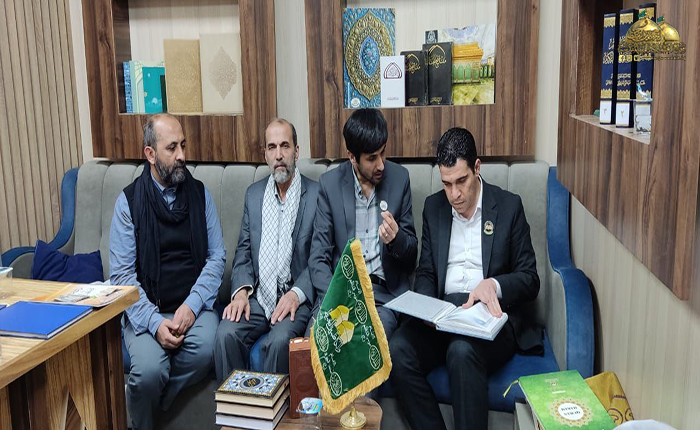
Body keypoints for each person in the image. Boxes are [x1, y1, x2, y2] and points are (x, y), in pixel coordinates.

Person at [389, 127, 540, 430]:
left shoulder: (508, 206)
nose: (454, 194)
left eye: (461, 181)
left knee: (461, 351)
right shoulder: (434, 207)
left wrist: (493, 285)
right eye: (446, 184)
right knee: (397, 349)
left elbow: (530, 278)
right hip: (445, 315)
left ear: (477, 168)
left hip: (490, 319)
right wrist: (428, 308)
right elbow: (427, 271)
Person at [109, 114, 226, 430]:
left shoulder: (200, 194)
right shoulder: (128, 203)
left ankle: (152, 404)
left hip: (193, 310)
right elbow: (122, 277)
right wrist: (154, 323)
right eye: (172, 148)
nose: (181, 155)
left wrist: (192, 305)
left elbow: (216, 258)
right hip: (147, 311)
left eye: (183, 145)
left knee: (208, 349)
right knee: (149, 371)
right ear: (150, 154)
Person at [214, 119, 318, 382]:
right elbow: (243, 251)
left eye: (285, 146)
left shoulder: (317, 195)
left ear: (296, 151)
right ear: (265, 154)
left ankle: (274, 410)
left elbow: (320, 257)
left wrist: (296, 294)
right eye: (272, 147)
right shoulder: (254, 194)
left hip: (295, 297)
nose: (279, 155)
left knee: (279, 342)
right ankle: (236, 407)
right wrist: (240, 292)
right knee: (226, 334)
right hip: (259, 297)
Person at [308, 108, 417, 340]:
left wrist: (396, 240)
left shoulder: (400, 179)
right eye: (371, 158)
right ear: (352, 157)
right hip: (339, 294)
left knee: (370, 343)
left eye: (383, 153)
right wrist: (336, 298)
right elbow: (318, 257)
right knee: (318, 345)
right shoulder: (330, 185)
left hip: (382, 297)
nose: (381, 165)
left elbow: (411, 256)